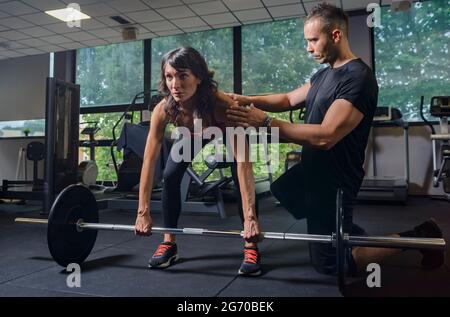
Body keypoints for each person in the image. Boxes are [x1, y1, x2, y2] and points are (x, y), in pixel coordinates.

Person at [226, 3, 444, 276]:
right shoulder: (324, 74)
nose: (308, 48)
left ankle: (420, 235)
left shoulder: (358, 78)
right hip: (314, 171)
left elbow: (327, 136)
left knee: (329, 263)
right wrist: (248, 100)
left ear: (336, 35)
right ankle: (344, 232)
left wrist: (265, 122)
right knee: (285, 191)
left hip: (335, 178)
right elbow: (288, 99)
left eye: (314, 40)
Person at [134, 46, 263, 276]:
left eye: (183, 76)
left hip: (223, 127)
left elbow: (244, 164)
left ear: (199, 77)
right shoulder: (164, 110)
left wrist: (251, 217)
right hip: (191, 134)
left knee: (237, 172)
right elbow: (149, 160)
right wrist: (142, 212)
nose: (175, 84)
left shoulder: (223, 106)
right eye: (169, 76)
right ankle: (169, 242)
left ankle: (250, 244)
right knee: (170, 175)